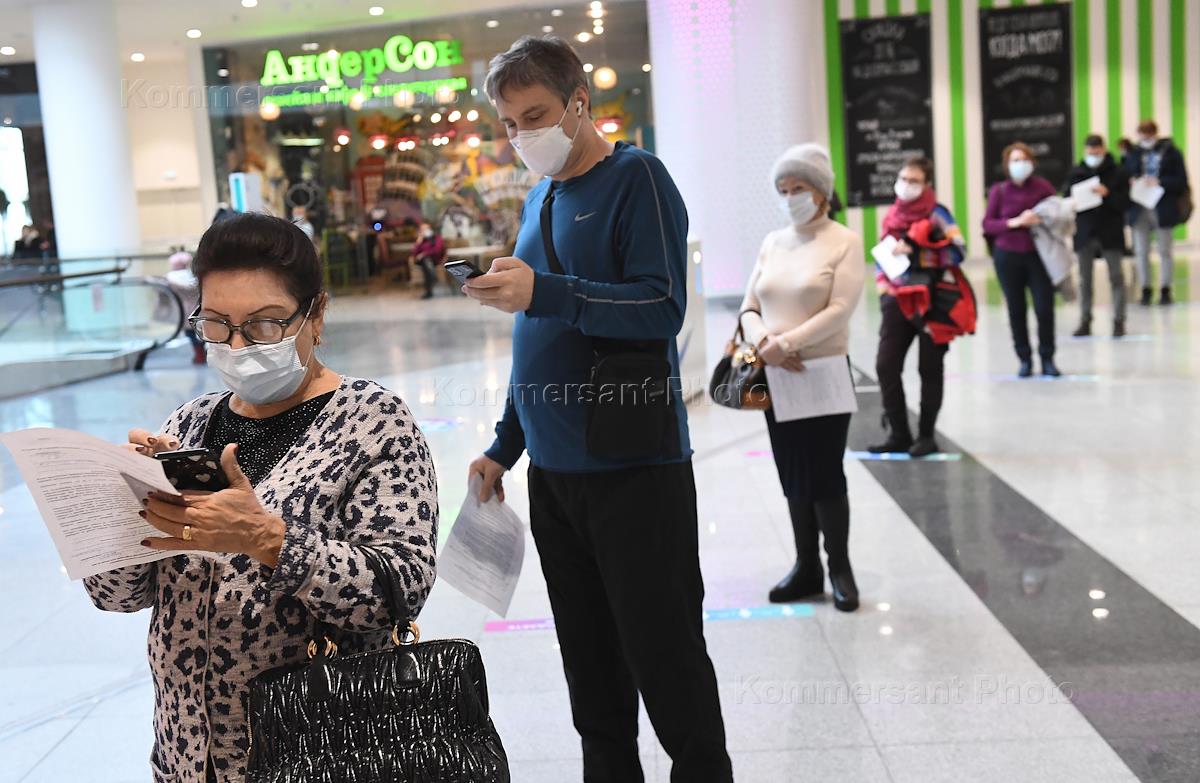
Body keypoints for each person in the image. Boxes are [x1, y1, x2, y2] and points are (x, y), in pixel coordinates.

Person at [83, 213, 438, 783]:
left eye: (264, 324)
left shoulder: (373, 423)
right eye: (216, 325)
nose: (238, 346)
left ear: (315, 315)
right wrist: (124, 513)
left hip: (319, 750)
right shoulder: (191, 423)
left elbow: (401, 589)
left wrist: (269, 539)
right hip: (189, 752)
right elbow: (117, 596)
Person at [463, 35, 733, 783]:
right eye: (509, 123)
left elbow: (661, 305)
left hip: (634, 470)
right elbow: (536, 338)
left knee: (666, 662)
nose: (522, 135)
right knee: (591, 674)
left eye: (535, 116)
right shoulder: (541, 197)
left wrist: (545, 290)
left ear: (579, 104)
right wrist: (504, 445)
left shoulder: (637, 178)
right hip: (555, 478)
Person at [739, 144, 864, 611]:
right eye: (783, 189)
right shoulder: (773, 242)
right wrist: (765, 344)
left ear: (822, 192)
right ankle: (806, 566)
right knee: (792, 472)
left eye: (799, 188)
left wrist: (786, 344)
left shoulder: (844, 241)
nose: (790, 197)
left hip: (822, 372)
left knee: (826, 473)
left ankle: (840, 568)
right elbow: (749, 306)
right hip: (776, 375)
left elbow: (841, 308)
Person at [869, 156, 964, 457]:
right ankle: (898, 433)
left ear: (927, 185)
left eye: (914, 181)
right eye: (903, 179)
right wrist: (882, 286)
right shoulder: (892, 215)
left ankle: (926, 435)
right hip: (896, 300)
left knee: (929, 368)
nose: (906, 185)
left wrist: (917, 252)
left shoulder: (938, 214)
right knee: (886, 365)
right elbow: (882, 254)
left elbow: (958, 251)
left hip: (932, 301)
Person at [983, 142, 1061, 378]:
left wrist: (1041, 218)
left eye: (1025, 159)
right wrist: (1014, 222)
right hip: (1008, 255)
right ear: (1007, 165)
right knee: (1016, 309)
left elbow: (1059, 213)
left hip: (1039, 255)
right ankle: (1024, 358)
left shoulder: (1043, 187)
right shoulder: (999, 191)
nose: (1021, 164)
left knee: (1044, 308)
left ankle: (1047, 357)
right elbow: (988, 224)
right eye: (1015, 160)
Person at [1062, 134, 1130, 337]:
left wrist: (1108, 194)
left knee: (1116, 276)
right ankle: (1085, 319)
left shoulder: (1118, 172)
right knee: (1085, 278)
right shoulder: (1077, 172)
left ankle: (1119, 319)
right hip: (1085, 231)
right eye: (1090, 152)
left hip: (1110, 231)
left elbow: (1126, 203)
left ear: (1103, 150)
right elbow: (1067, 199)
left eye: (1097, 152)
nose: (1093, 156)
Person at [1122, 119, 1190, 305]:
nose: (1146, 139)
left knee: (1165, 250)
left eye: (1149, 135)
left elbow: (1181, 181)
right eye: (1143, 135)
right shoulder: (1133, 153)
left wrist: (1160, 182)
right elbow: (1124, 175)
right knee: (1141, 250)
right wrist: (1132, 180)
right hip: (1139, 206)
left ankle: (1166, 288)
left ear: (1155, 133)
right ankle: (1145, 288)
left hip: (1162, 205)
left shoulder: (1171, 152)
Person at [411, 220, 446, 299]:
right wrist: (418, 242)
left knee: (427, 263)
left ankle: (429, 291)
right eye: (422, 229)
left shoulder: (437, 238)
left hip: (435, 260)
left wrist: (424, 254)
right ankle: (433, 277)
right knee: (426, 262)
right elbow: (414, 254)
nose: (424, 231)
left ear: (430, 229)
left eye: (426, 229)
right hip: (422, 262)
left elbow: (437, 250)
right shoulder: (421, 240)